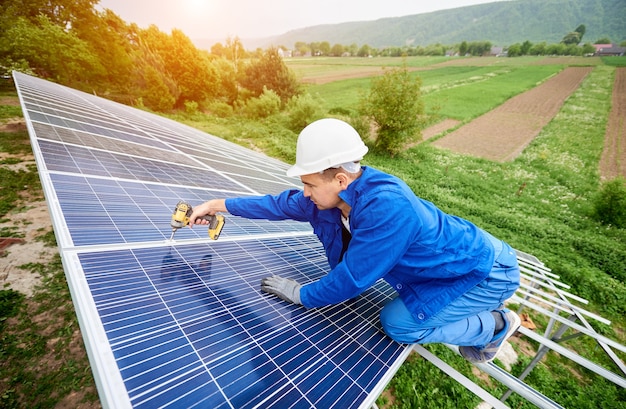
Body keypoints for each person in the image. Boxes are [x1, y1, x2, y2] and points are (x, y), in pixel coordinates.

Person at [189, 118, 521, 364]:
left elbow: (351, 279)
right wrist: (215, 205)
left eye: (309, 184)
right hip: (444, 267)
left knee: (398, 324)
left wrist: (302, 295)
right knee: (411, 307)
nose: (305, 193)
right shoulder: (328, 196)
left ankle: (494, 325)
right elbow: (275, 204)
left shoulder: (388, 208)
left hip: (483, 272)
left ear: (341, 178)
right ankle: (472, 311)